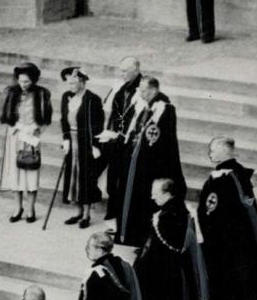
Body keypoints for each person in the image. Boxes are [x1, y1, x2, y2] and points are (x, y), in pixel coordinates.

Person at [198, 138, 257, 300]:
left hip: (227, 248)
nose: (210, 154)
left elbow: (219, 214)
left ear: (224, 152)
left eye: (213, 150)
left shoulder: (227, 179)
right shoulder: (232, 176)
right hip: (230, 244)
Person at [117, 77, 184, 248]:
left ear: (154, 90)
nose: (141, 93)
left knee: (144, 201)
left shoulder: (164, 109)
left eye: (144, 90)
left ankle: (143, 239)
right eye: (140, 90)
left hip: (150, 166)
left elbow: (160, 140)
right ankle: (128, 235)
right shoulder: (145, 106)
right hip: (136, 162)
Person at [0, 62, 52, 223]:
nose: (23, 85)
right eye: (21, 81)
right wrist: (18, 126)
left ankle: (31, 208)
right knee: (15, 172)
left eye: (27, 82)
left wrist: (34, 127)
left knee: (31, 171)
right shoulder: (9, 92)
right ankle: (18, 207)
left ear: (34, 80)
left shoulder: (42, 94)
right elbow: (4, 116)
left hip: (32, 137)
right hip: (15, 136)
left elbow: (46, 117)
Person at [99, 57, 144, 225]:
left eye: (125, 71)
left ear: (136, 70)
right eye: (121, 70)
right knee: (112, 179)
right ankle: (112, 213)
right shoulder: (121, 86)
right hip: (115, 139)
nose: (122, 74)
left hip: (130, 143)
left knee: (124, 181)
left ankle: (122, 216)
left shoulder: (143, 87)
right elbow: (110, 109)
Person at [59, 67, 106, 228]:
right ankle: (78, 212)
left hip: (86, 143)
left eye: (73, 82)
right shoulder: (66, 97)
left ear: (82, 81)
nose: (70, 86)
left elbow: (98, 124)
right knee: (73, 176)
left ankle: (86, 214)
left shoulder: (93, 99)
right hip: (72, 142)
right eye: (68, 83)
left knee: (85, 177)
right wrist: (65, 138)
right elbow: (63, 120)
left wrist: (96, 145)